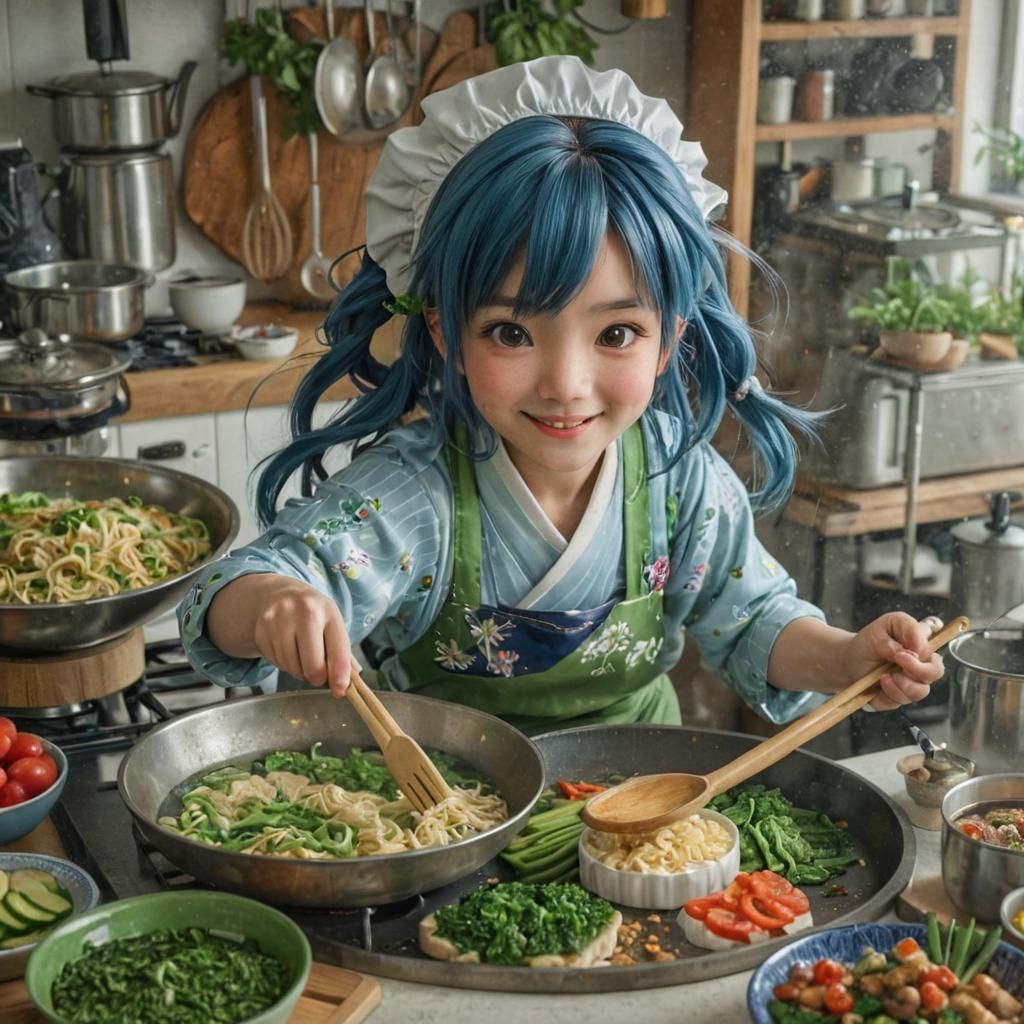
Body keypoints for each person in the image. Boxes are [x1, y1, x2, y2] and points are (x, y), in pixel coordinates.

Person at [179, 57, 943, 735]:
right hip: (446, 817)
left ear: (670, 337)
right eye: (512, 333)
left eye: (616, 335)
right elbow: (224, 592)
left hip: (646, 809)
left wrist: (846, 658)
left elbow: (754, 622)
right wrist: (273, 602)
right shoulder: (412, 498)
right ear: (447, 334)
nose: (566, 386)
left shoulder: (682, 483)